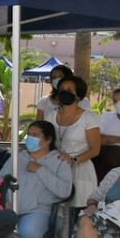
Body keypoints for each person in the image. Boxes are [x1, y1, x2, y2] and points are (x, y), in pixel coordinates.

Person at [0, 121, 72, 238]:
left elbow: (64, 191)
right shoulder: (17, 157)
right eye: (28, 134)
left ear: (48, 140)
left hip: (41, 211)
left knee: (29, 234)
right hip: (11, 208)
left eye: (35, 135)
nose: (29, 138)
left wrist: (40, 170)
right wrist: (4, 201)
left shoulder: (59, 161)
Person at [44, 75, 101, 209]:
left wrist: (73, 160)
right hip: (55, 168)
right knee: (55, 210)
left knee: (78, 211)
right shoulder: (51, 116)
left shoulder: (89, 117)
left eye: (70, 90)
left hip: (80, 169)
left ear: (78, 96)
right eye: (62, 89)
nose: (64, 93)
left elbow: (95, 149)